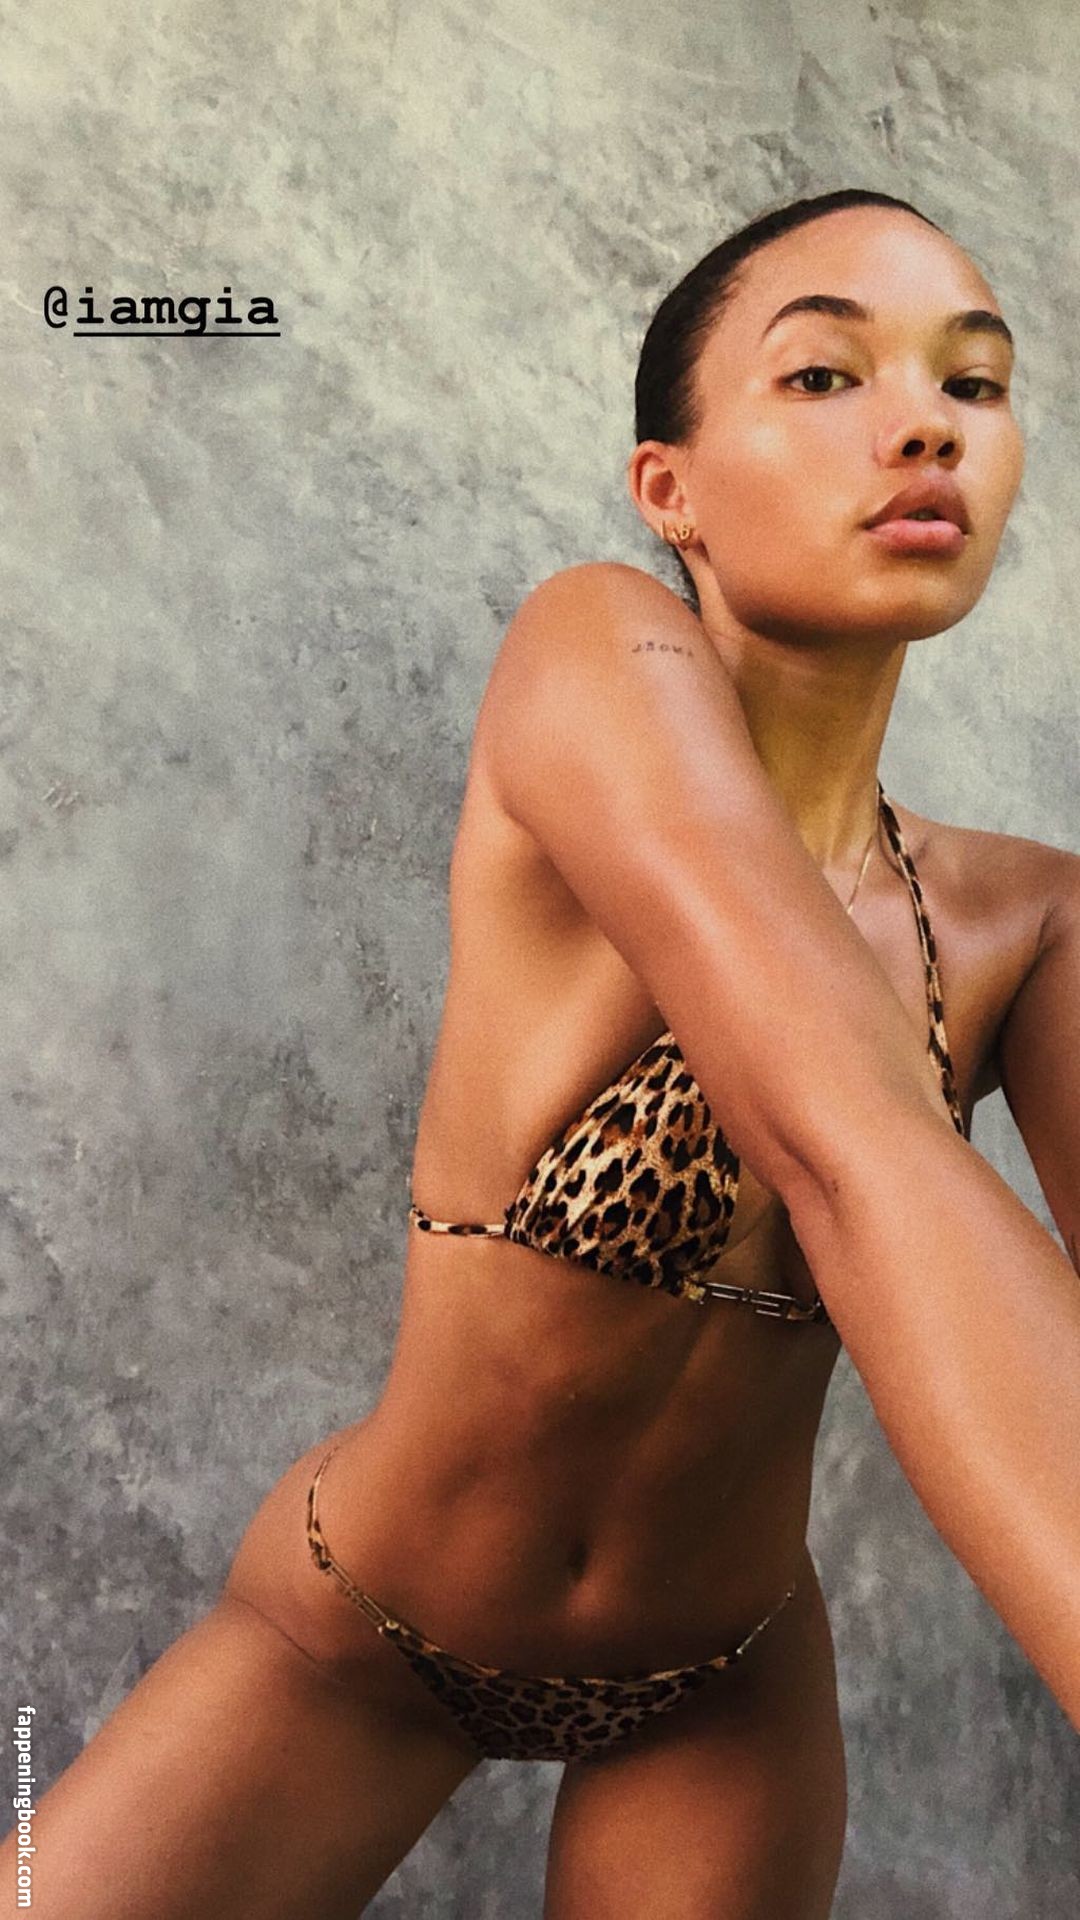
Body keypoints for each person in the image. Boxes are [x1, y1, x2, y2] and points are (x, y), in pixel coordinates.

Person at [5, 187, 1078, 1920]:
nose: (925, 426)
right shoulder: (595, 648)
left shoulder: (1032, 923)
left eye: (977, 383)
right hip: (370, 1630)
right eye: (824, 375)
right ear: (671, 489)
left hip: (722, 1683)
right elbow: (849, 1143)